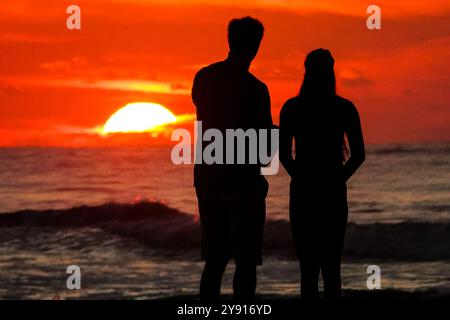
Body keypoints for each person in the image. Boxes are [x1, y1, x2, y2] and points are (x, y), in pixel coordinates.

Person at [191, 17, 273, 302]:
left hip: (208, 180)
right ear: (256, 46)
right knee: (246, 261)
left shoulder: (204, 77)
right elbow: (264, 148)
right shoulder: (256, 89)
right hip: (243, 183)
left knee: (215, 260)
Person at [279, 49, 365, 300]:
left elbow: (284, 156)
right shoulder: (344, 108)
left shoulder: (292, 108)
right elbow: (359, 155)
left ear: (306, 72)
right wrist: (337, 179)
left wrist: (301, 178)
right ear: (331, 72)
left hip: (303, 193)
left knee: (308, 271)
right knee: (331, 270)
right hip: (333, 193)